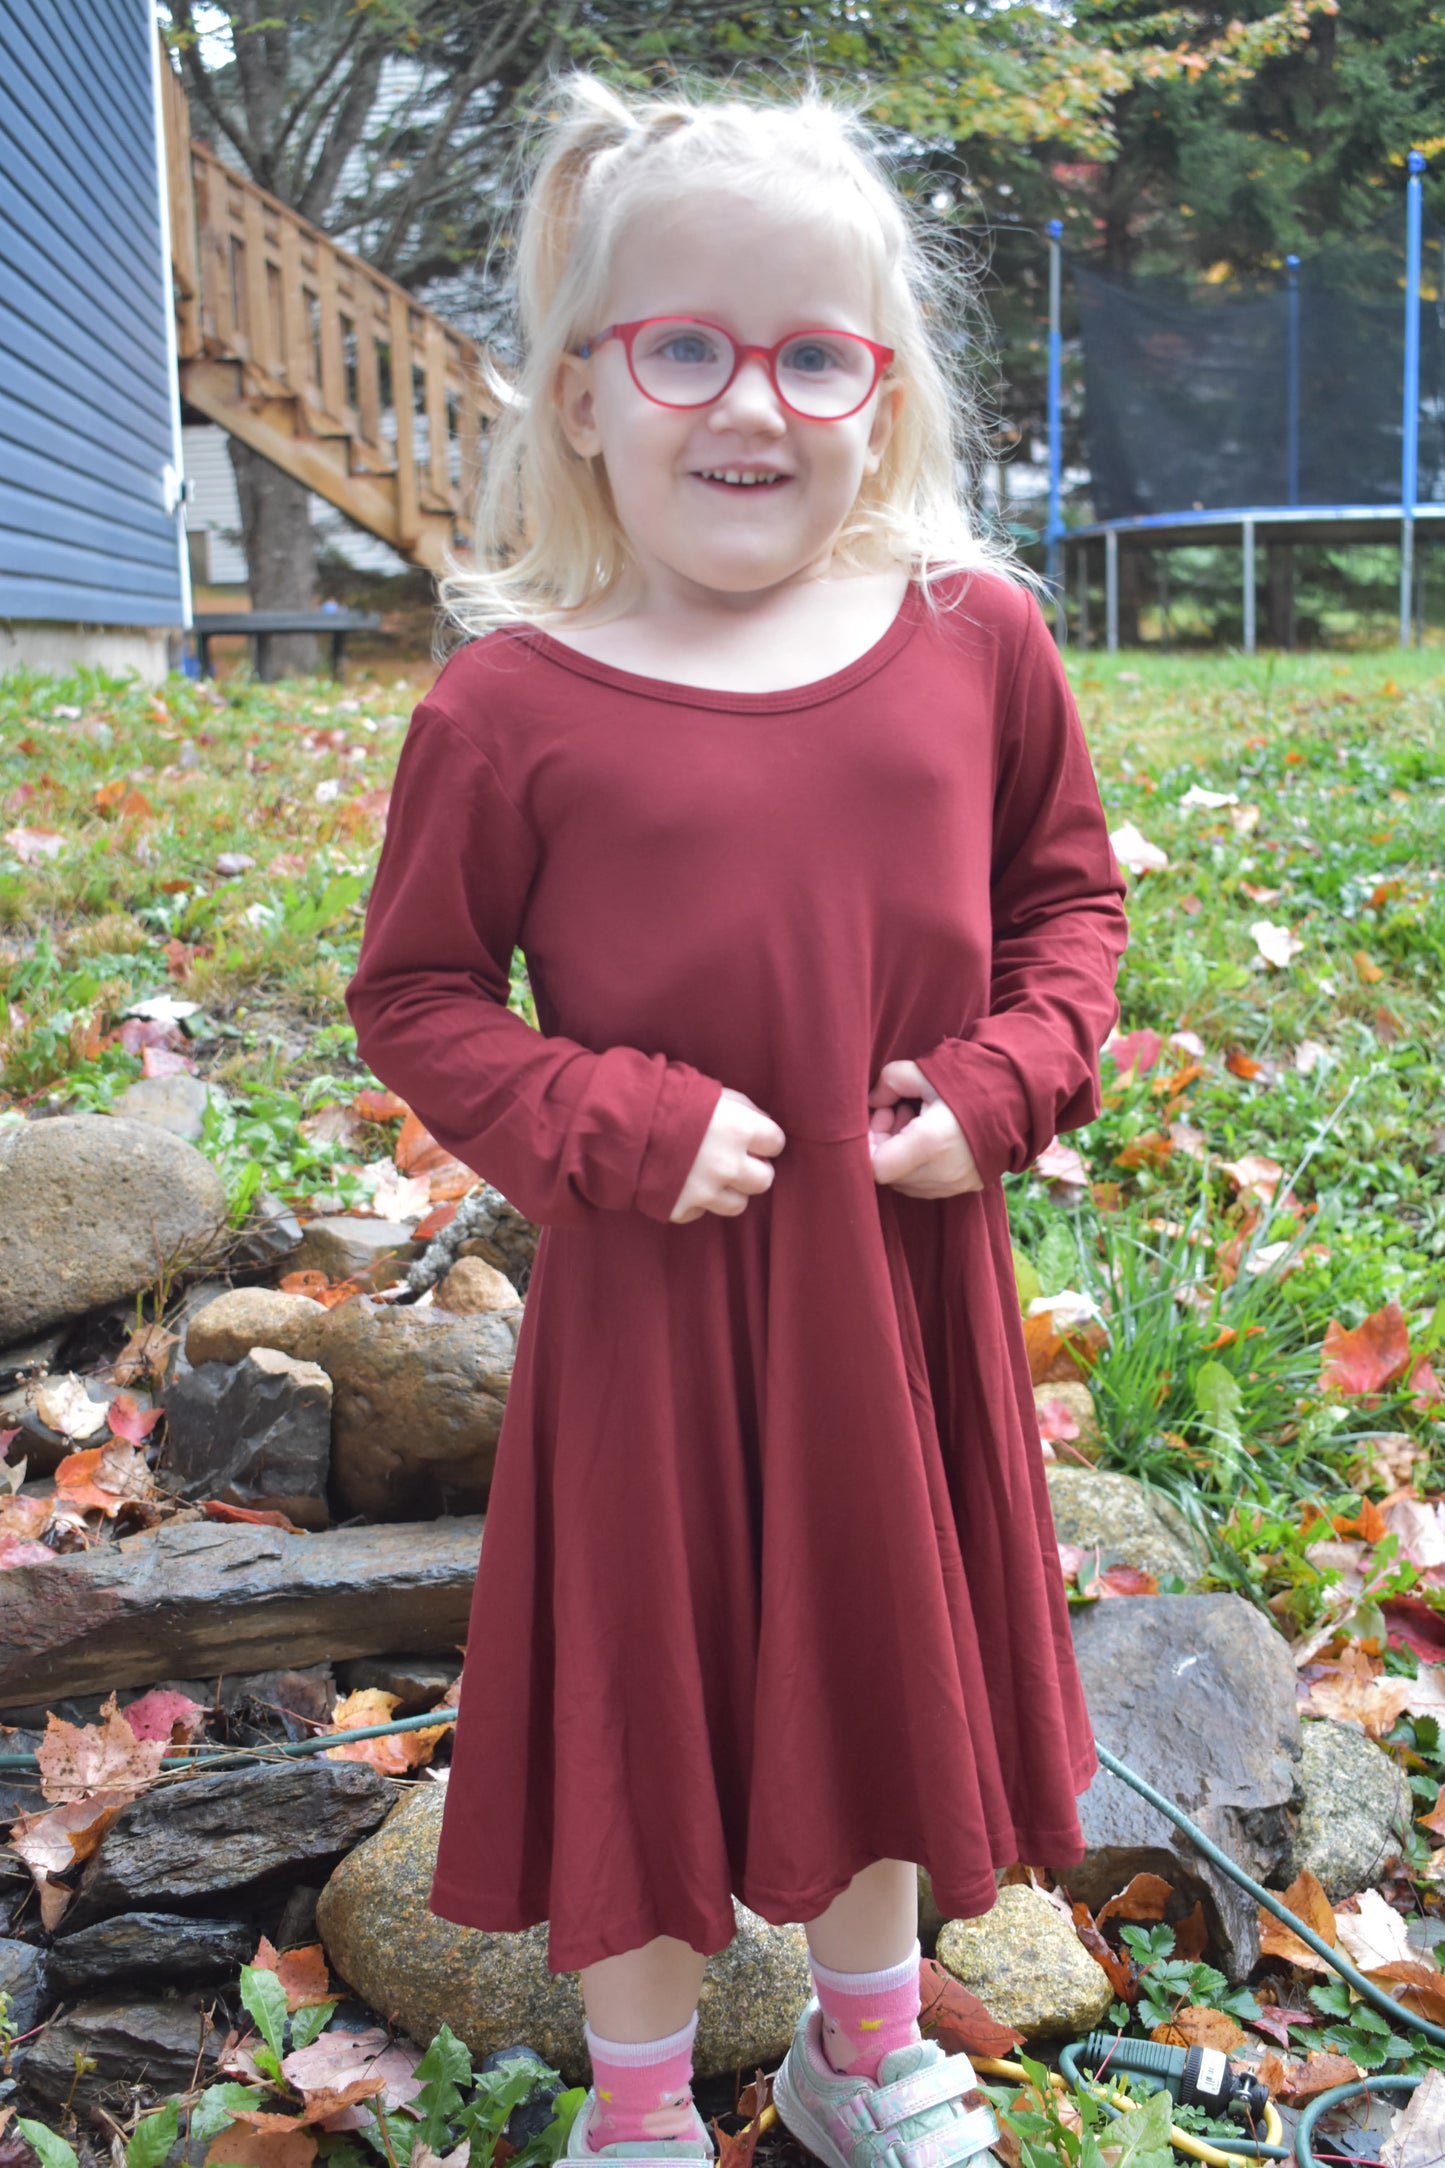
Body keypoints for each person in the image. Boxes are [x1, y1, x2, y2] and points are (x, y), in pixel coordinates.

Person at [345, 65, 1128, 2168]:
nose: (749, 404)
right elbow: (415, 994)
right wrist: (597, 1114)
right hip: (654, 1329)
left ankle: (866, 2051)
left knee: (883, 1679)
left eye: (810, 353)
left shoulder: (975, 644)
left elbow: (1069, 903)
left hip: (893, 1293)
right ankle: (636, 2111)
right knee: (641, 1703)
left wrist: (1003, 1081)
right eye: (684, 347)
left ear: (885, 391)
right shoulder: (511, 704)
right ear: (584, 393)